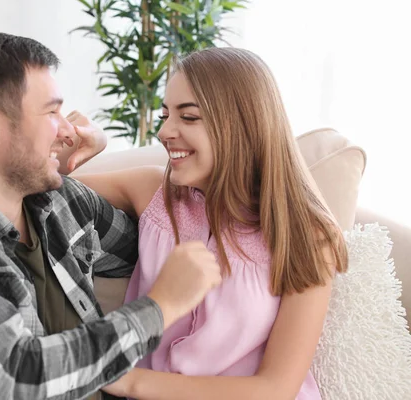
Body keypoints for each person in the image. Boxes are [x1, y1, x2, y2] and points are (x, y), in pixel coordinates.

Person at [0, 33, 223, 400]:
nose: (69, 131)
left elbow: (157, 251)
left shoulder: (60, 202)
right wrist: (161, 308)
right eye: (52, 112)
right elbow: (15, 377)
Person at [70, 47, 348, 399]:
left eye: (188, 117)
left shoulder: (309, 236)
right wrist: (90, 147)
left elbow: (275, 389)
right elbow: (42, 194)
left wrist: (129, 381)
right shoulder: (154, 192)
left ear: (242, 125)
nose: (165, 131)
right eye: (165, 114)